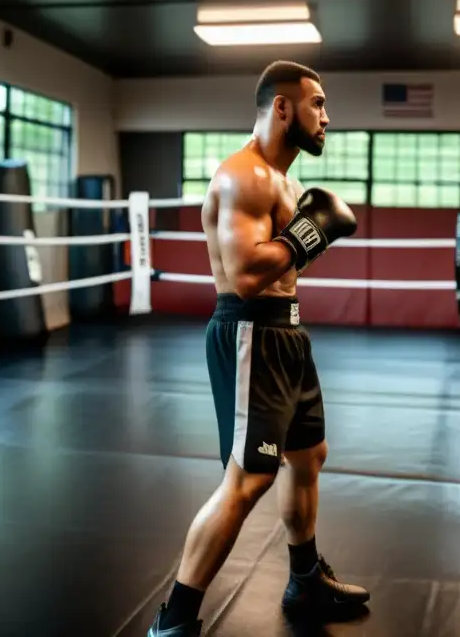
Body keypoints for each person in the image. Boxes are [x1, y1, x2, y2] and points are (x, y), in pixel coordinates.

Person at [147, 61, 369, 637]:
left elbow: (288, 265)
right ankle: (174, 620)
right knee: (247, 480)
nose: (327, 117)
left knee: (308, 455)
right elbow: (247, 275)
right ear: (282, 107)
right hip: (251, 332)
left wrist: (305, 236)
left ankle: (304, 581)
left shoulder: (287, 182)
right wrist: (308, 233)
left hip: (289, 334)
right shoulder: (241, 176)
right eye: (318, 104)